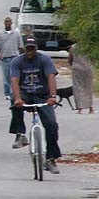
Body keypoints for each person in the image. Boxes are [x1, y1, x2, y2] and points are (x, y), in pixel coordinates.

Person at [9, 36, 62, 173]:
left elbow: (51, 77)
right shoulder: (17, 61)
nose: (30, 51)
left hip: (42, 96)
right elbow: (14, 80)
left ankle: (51, 159)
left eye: (32, 49)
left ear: (36, 49)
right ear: (24, 49)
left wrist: (52, 96)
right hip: (25, 95)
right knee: (14, 102)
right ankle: (20, 134)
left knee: (51, 124)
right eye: (28, 49)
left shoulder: (44, 59)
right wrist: (18, 98)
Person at [0, 16, 22, 104]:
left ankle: (15, 93)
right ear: (4, 23)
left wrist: (21, 56)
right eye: (6, 21)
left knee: (15, 76)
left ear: (11, 23)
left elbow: (20, 46)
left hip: (15, 58)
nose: (8, 23)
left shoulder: (16, 34)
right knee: (6, 77)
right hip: (5, 58)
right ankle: (7, 93)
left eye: (9, 21)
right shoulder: (0, 34)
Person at [67, 43, 95, 114]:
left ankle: (80, 108)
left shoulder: (73, 47)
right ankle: (90, 107)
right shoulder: (89, 47)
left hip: (77, 68)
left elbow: (70, 58)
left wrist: (72, 65)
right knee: (88, 87)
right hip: (88, 68)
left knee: (78, 87)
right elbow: (93, 58)